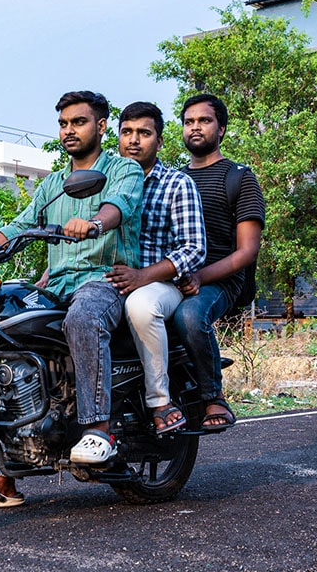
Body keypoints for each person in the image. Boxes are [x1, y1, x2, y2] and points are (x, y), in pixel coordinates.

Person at [0, 90, 144, 510]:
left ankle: (99, 429)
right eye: (63, 124)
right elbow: (19, 227)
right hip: (55, 284)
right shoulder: (54, 186)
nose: (69, 130)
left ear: (100, 126)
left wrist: (94, 224)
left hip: (103, 281)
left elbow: (119, 207)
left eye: (78, 122)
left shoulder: (123, 169)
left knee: (82, 318)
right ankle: (7, 476)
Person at [105, 102, 207, 434]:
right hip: (108, 281)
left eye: (144, 133)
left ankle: (160, 401)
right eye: (126, 132)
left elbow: (194, 247)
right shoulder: (104, 182)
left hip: (161, 285)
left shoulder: (177, 184)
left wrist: (143, 277)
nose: (134, 140)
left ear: (159, 141)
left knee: (141, 304)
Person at [172, 94, 265, 429]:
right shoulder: (173, 179)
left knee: (190, 314)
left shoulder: (239, 177)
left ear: (221, 128)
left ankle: (213, 398)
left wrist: (200, 277)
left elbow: (246, 251)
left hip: (219, 280)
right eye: (189, 121)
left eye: (204, 120)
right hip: (171, 274)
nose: (195, 127)